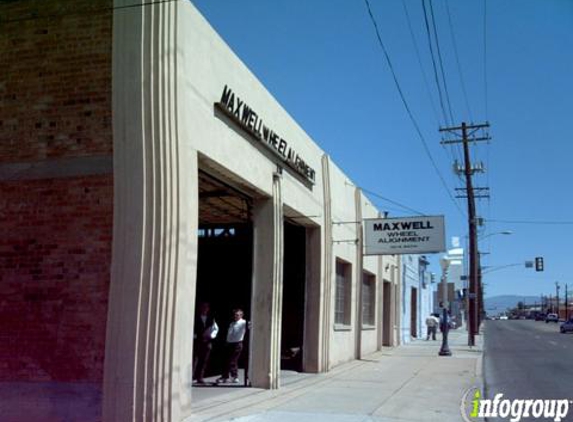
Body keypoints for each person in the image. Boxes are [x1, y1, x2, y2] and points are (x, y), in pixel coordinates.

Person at [216, 308, 247, 384]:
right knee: (226, 360)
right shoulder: (232, 323)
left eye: (238, 315)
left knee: (233, 360)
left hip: (237, 343)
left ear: (241, 315)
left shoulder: (243, 322)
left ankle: (235, 376)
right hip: (229, 343)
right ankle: (225, 376)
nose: (236, 316)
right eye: (235, 315)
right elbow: (229, 334)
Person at [193, 302, 218, 384]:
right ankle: (192, 376)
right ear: (200, 309)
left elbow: (215, 329)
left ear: (208, 309)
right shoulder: (195, 318)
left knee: (204, 361)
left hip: (207, 342)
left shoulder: (211, 318)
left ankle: (200, 377)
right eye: (203, 307)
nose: (204, 309)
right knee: (195, 359)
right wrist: (195, 336)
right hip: (198, 341)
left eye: (206, 308)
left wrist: (211, 336)